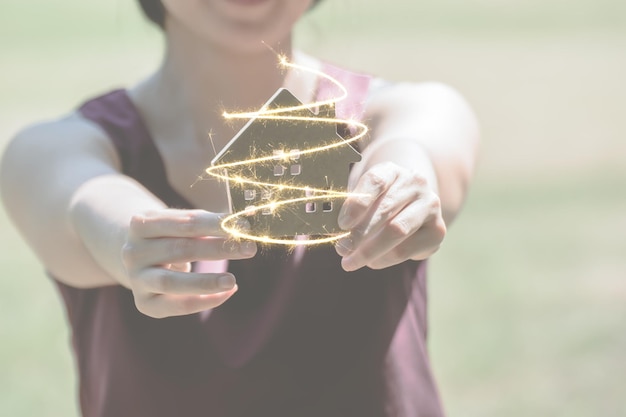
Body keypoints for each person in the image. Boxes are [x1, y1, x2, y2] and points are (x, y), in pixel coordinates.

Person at [0, 0, 479, 416]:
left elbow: (419, 147)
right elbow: (82, 200)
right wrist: (134, 238)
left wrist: (399, 185)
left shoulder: (406, 110)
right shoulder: (58, 148)